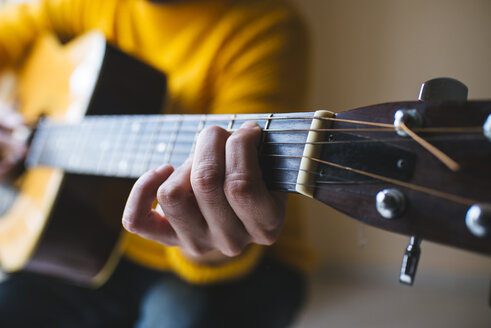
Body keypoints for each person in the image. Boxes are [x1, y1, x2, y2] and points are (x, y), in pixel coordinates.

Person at [0, 0, 311, 326]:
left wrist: (208, 246)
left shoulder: (264, 25)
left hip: (238, 258)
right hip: (83, 236)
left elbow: (230, 215)